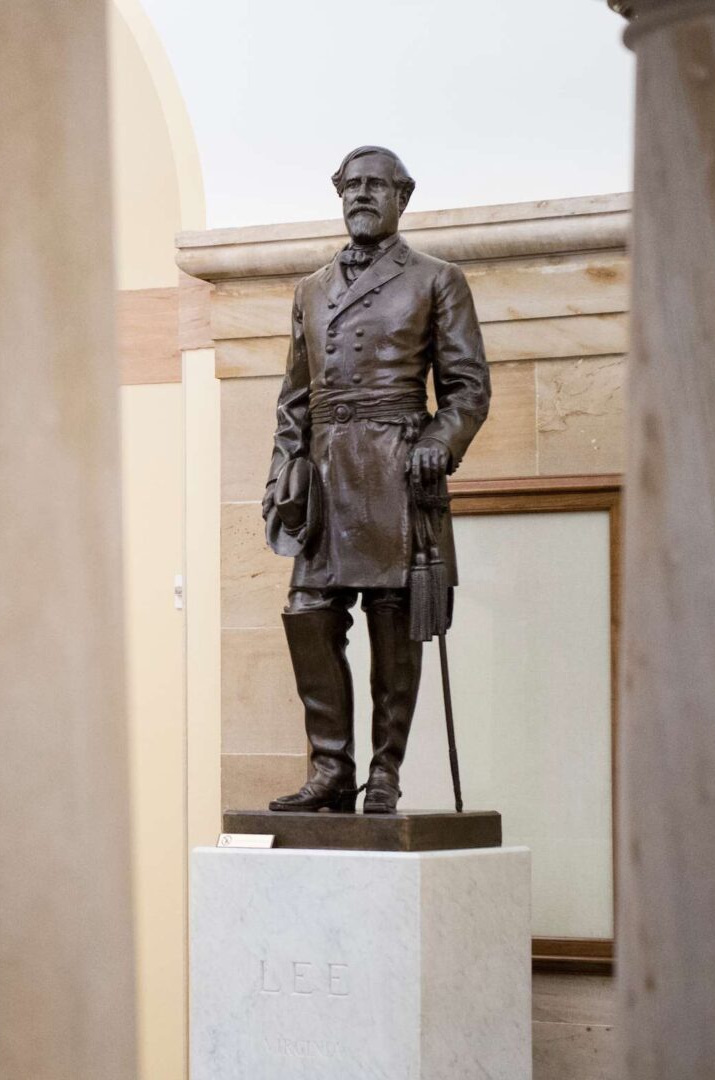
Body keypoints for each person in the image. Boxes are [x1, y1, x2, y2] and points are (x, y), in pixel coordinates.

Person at [263, 146, 491, 815]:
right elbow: (292, 399)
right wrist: (283, 475)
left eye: (374, 185)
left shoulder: (435, 279)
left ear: (402, 196)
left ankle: (384, 771)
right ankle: (331, 769)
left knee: (394, 623)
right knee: (308, 615)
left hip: (395, 470)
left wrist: (437, 442)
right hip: (328, 476)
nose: (360, 195)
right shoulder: (309, 289)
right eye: (349, 185)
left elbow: (466, 390)